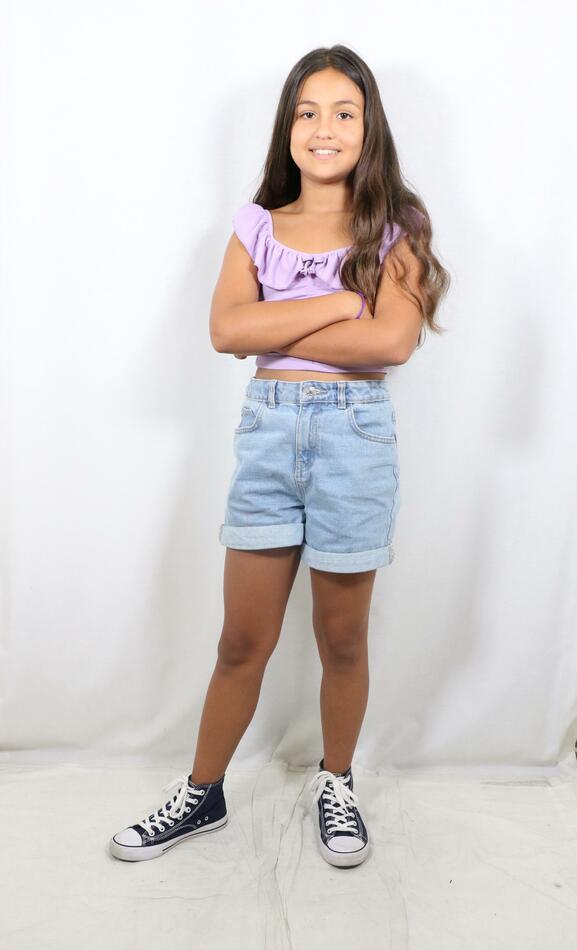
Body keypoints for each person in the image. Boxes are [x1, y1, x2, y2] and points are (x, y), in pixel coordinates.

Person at [110, 44, 449, 868]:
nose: (323, 128)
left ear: (368, 127)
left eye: (343, 113)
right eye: (307, 112)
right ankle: (203, 792)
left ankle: (337, 781)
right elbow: (226, 330)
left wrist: (279, 321)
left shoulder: (395, 227)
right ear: (286, 127)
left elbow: (391, 343)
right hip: (267, 439)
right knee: (240, 642)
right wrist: (339, 301)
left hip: (353, 439)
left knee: (342, 639)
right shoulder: (255, 225)